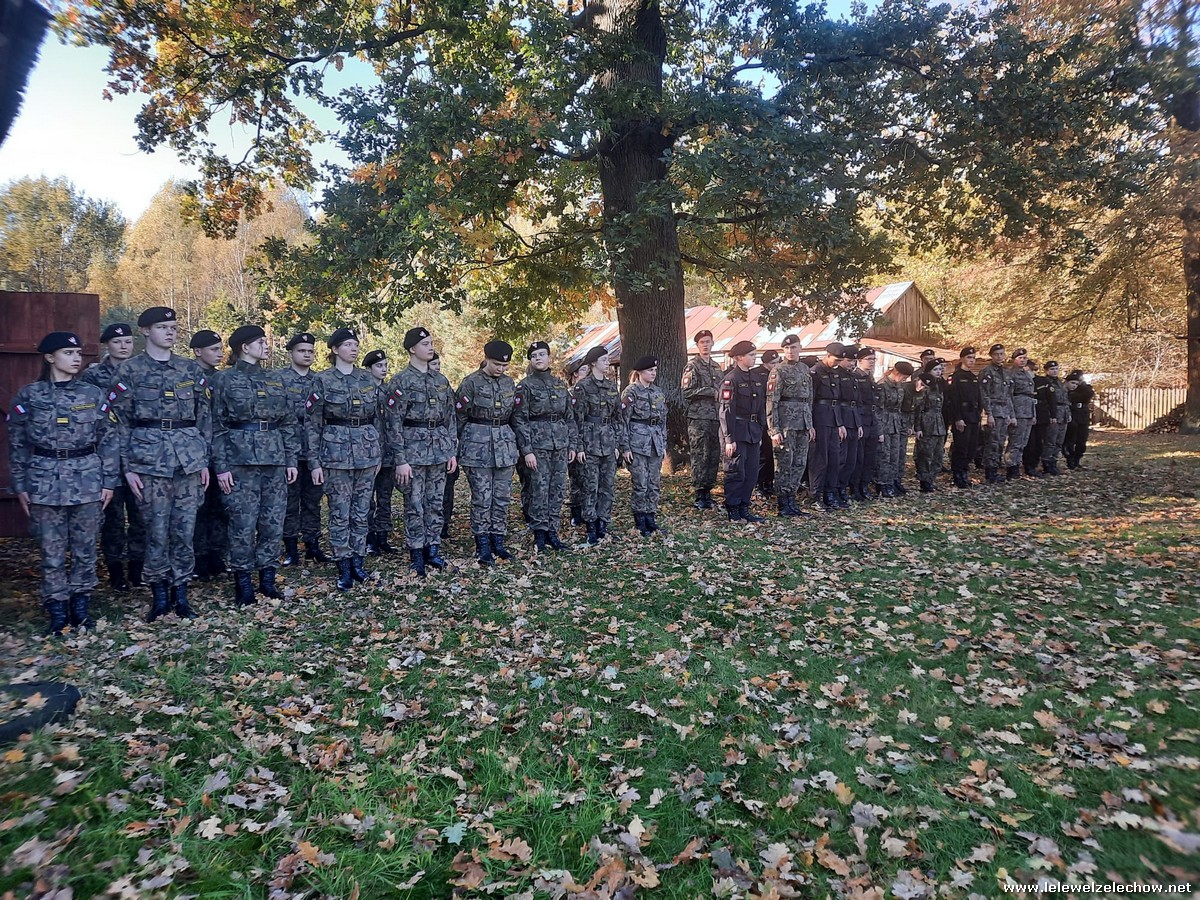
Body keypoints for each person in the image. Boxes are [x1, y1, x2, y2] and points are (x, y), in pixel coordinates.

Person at [8, 332, 120, 634]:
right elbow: (16, 444)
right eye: (68, 353)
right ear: (49, 358)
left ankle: (81, 605)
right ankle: (57, 609)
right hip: (44, 479)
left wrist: (109, 481)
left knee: (85, 547)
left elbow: (108, 440)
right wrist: (20, 486)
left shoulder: (92, 395)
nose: (76, 358)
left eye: (78, 353)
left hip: (87, 478)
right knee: (51, 549)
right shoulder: (29, 395)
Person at [108, 307, 213, 621]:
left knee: (184, 530)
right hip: (149, 461)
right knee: (155, 530)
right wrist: (127, 467)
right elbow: (119, 422)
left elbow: (204, 417)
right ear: (144, 331)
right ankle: (159, 594)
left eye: (173, 327)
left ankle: (181, 593)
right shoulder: (130, 371)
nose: (170, 332)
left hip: (188, 461)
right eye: (162, 327)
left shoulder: (190, 371)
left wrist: (204, 459)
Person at [210, 325, 298, 606]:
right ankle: (243, 582)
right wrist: (221, 466)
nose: (266, 345)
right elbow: (217, 425)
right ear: (244, 347)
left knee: (273, 522)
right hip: (240, 460)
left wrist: (291, 459)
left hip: (274, 459)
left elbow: (288, 421)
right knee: (242, 523)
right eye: (261, 342)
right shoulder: (224, 380)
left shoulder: (275, 379)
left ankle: (268, 579)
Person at [304, 328, 384, 591]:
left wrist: (379, 452)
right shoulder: (323, 380)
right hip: (335, 454)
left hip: (366, 452)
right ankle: (343, 564)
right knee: (340, 512)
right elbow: (313, 422)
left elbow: (378, 419)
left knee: (362, 512)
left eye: (355, 344)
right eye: (347, 344)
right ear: (335, 350)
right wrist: (314, 462)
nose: (353, 348)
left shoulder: (367, 379)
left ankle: (358, 562)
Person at [384, 327, 458, 577]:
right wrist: (400, 460)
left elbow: (450, 418)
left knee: (435, 502)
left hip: (438, 448)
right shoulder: (401, 381)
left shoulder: (441, 380)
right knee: (414, 504)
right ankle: (416, 552)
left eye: (431, 343)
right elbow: (393, 423)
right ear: (412, 349)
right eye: (425, 343)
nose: (430, 347)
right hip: (413, 450)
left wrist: (451, 451)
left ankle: (433, 548)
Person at [81, 322, 146, 592]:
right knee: (113, 517)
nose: (123, 346)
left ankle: (137, 568)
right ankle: (116, 571)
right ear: (107, 345)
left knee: (142, 513)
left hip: (141, 451)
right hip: (106, 455)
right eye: (118, 342)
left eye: (128, 342)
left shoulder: (142, 371)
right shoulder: (92, 376)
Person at [455, 340, 520, 564]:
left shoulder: (509, 384)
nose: (500, 369)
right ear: (486, 360)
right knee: (482, 497)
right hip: (477, 446)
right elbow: (459, 417)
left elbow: (514, 417)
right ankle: (482, 544)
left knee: (501, 498)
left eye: (504, 366)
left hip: (504, 446)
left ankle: (498, 541)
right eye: (496, 365)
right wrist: (460, 446)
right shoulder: (470, 383)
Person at [513, 341, 578, 552]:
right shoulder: (525, 386)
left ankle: (553, 532)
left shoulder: (559, 385)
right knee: (538, 489)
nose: (538, 358)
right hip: (537, 444)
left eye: (542, 354)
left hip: (559, 443)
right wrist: (527, 450)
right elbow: (520, 420)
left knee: (557, 488)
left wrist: (572, 445)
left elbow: (570, 417)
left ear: (549, 357)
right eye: (534, 356)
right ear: (531, 361)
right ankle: (539, 534)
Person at [279, 332, 330, 566]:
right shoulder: (278, 380)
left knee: (313, 500)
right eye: (302, 351)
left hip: (315, 451)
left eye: (310, 351)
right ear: (291, 352)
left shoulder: (319, 381)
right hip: (287, 449)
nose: (307, 355)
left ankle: (312, 544)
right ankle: (290, 548)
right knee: (289, 501)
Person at [573, 346, 627, 544]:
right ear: (593, 362)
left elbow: (617, 418)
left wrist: (618, 444)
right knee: (590, 486)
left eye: (607, 359)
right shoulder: (583, 387)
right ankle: (590, 526)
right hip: (589, 441)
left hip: (608, 441)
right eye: (604, 359)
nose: (607, 362)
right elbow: (576, 420)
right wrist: (578, 447)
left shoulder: (612, 387)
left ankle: (603, 523)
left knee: (607, 486)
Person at [189, 329, 229, 580]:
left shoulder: (221, 379)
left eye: (220, 348)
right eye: (214, 349)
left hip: (222, 450)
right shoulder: (187, 376)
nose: (220, 353)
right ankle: (198, 555)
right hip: (194, 451)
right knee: (197, 508)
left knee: (221, 505)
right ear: (197, 352)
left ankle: (216, 553)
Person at [718, 340, 767, 523]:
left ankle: (744, 507)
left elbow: (760, 406)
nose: (755, 358)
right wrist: (729, 438)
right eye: (751, 355)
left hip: (753, 430)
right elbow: (726, 410)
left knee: (751, 472)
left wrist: (761, 430)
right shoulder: (731, 379)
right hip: (737, 430)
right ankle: (733, 508)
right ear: (739, 357)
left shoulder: (756, 378)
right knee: (736, 471)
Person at [766, 334, 814, 517]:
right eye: (786, 348)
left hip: (803, 422)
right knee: (784, 463)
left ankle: (792, 500)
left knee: (799, 462)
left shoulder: (805, 369)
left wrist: (810, 424)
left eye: (793, 347)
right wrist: (774, 429)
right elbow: (772, 401)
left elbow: (809, 399)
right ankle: (783, 503)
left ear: (800, 348)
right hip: (785, 424)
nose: (790, 351)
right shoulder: (778, 371)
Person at [619, 355, 667, 536]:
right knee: (641, 483)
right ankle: (640, 520)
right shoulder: (630, 392)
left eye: (655, 370)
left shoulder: (657, 393)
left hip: (655, 443)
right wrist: (625, 447)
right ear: (640, 372)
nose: (653, 373)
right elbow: (623, 421)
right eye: (650, 370)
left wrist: (663, 444)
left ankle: (650, 518)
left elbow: (663, 421)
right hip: (637, 443)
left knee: (654, 483)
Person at [681, 330, 723, 509]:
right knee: (700, 455)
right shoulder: (692, 366)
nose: (705, 345)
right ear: (697, 346)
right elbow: (686, 392)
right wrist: (710, 391)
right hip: (699, 418)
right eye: (702, 342)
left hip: (715, 417)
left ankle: (708, 490)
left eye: (708, 342)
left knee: (714, 455)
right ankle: (699, 493)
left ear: (713, 343)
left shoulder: (716, 366)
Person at [362, 349, 397, 556]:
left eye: (385, 366)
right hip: (367, 452)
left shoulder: (389, 392)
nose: (383, 370)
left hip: (388, 453)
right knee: (367, 499)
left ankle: (383, 536)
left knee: (385, 496)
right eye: (379, 366)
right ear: (369, 368)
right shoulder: (362, 389)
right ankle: (369, 538)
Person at [808, 342, 847, 510]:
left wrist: (840, 423)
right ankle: (815, 495)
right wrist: (811, 424)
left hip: (833, 419)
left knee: (834, 458)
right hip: (819, 418)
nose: (837, 363)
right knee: (819, 459)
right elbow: (810, 401)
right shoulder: (815, 372)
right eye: (836, 360)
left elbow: (836, 400)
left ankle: (829, 493)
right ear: (828, 355)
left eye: (840, 361)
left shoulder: (835, 373)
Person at [945, 347, 982, 489]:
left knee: (971, 447)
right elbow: (953, 400)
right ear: (962, 359)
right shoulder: (956, 377)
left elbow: (978, 398)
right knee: (961, 446)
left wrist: (979, 414)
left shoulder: (973, 377)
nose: (971, 360)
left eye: (973, 358)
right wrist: (957, 418)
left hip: (973, 416)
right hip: (961, 415)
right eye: (969, 358)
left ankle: (965, 471)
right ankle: (957, 474)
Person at [876, 361, 914, 497]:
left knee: (895, 454)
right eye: (904, 377)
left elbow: (902, 408)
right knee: (884, 455)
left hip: (896, 423)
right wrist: (879, 431)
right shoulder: (882, 385)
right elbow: (878, 410)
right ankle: (882, 483)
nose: (905, 380)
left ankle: (892, 481)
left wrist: (906, 425)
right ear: (896, 373)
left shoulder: (899, 387)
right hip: (885, 422)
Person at [979, 343, 1015, 484]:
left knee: (1000, 442)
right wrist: (988, 413)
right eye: (996, 354)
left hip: (1004, 411)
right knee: (992, 442)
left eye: (1002, 354)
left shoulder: (1006, 373)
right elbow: (984, 394)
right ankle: (990, 472)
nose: (999, 357)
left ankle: (995, 468)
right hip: (993, 410)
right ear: (991, 356)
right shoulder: (987, 372)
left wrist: (1011, 415)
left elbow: (1009, 396)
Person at [912, 360, 947, 492]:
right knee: (925, 454)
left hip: (938, 423)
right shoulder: (924, 386)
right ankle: (924, 481)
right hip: (927, 423)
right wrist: (918, 427)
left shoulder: (939, 385)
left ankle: (931, 479)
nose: (938, 372)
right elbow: (918, 409)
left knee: (938, 455)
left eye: (939, 369)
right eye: (935, 370)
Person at [834, 345, 863, 506]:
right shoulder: (837, 375)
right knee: (841, 459)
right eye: (849, 360)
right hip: (842, 419)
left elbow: (856, 402)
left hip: (853, 419)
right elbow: (836, 401)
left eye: (854, 361)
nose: (852, 364)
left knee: (852, 460)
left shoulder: (852, 377)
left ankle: (842, 488)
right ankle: (835, 489)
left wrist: (858, 423)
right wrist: (839, 423)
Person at [850, 347, 879, 500]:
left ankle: (864, 485)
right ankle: (855, 487)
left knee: (870, 456)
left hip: (872, 419)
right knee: (859, 457)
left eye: (874, 359)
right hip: (861, 418)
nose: (872, 362)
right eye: (869, 359)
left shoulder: (870, 377)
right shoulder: (855, 376)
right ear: (860, 360)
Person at [565, 359, 591, 528]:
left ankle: (588, 510)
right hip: (573, 440)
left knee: (589, 477)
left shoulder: (590, 391)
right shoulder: (568, 394)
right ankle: (576, 513)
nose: (586, 374)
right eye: (583, 371)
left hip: (591, 439)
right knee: (577, 478)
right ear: (574, 374)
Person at [752, 349, 780, 500]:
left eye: (777, 362)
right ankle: (760, 483)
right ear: (765, 363)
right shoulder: (756, 373)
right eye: (772, 363)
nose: (775, 366)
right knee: (763, 453)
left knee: (771, 452)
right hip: (761, 417)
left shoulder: (778, 373)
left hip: (773, 419)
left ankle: (769, 482)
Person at [1004, 348, 1037, 481]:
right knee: (1015, 442)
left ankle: (1017, 466)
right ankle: (1011, 468)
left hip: (1027, 411)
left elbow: (1031, 395)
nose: (1023, 360)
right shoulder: (1010, 374)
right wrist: (1012, 415)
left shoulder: (1026, 373)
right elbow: (1009, 396)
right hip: (1018, 411)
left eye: (1024, 358)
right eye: (1020, 358)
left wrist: (1033, 414)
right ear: (1014, 359)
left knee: (1023, 442)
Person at [1037, 361, 1069, 475]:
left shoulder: (1060, 382)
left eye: (1056, 369)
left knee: (1059, 441)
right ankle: (1046, 462)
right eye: (1052, 369)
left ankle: (1054, 462)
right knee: (1050, 440)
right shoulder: (1045, 382)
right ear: (1046, 370)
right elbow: (1047, 400)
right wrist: (1051, 414)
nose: (1054, 371)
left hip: (1063, 414)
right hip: (1053, 414)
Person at [1063, 370, 1094, 469]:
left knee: (1082, 440)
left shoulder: (1084, 388)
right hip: (1072, 415)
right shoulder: (1066, 390)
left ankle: (1077, 459)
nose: (1075, 384)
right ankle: (1070, 459)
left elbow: (1088, 394)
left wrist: (1082, 384)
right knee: (1070, 439)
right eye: (1073, 382)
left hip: (1082, 416)